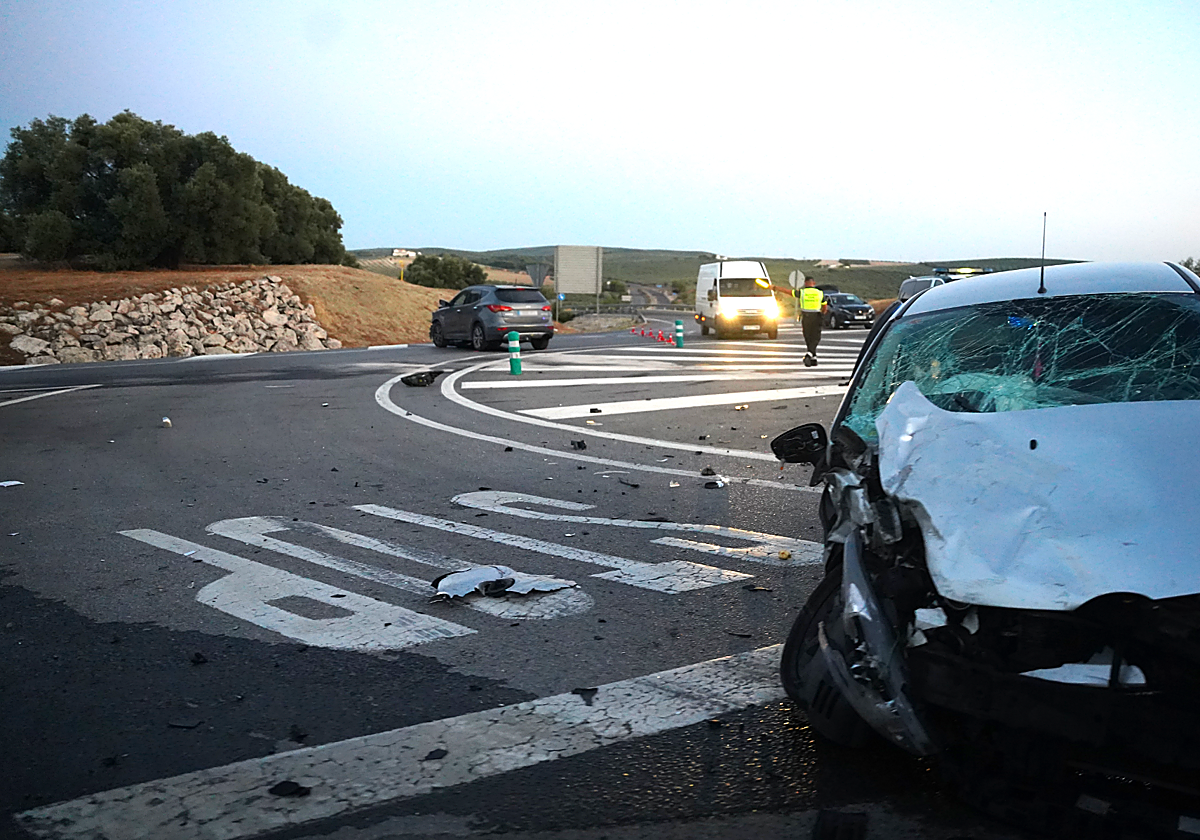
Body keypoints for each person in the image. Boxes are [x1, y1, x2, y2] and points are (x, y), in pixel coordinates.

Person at [796, 278, 827, 365]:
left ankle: (812, 358)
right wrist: (823, 314)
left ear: (805, 283)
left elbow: (789, 292)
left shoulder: (802, 292)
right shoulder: (819, 293)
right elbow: (824, 306)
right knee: (816, 337)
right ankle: (810, 355)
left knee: (808, 337)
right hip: (816, 316)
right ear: (814, 283)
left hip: (806, 316)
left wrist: (775, 287)